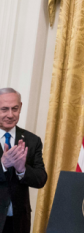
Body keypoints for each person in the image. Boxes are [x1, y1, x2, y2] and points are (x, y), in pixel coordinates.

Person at [0, 88, 48, 233]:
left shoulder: (32, 140)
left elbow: (41, 179)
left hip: (18, 222)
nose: (10, 115)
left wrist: (23, 170)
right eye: (4, 109)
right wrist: (3, 165)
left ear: (20, 107)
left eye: (15, 109)